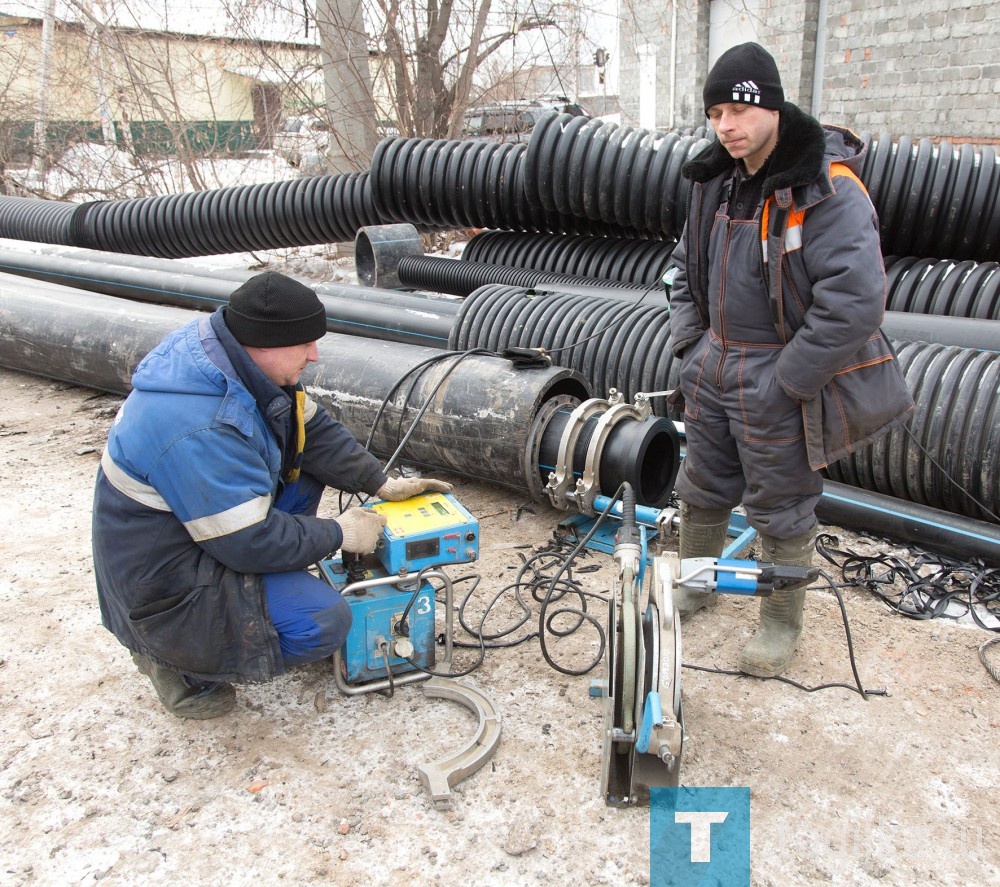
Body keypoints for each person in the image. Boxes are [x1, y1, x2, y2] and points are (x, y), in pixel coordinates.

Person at [92, 271, 452, 719]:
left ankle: (273, 591)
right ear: (265, 342)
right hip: (167, 586)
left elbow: (311, 429)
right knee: (325, 622)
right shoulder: (200, 423)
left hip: (201, 536)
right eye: (305, 344)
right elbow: (249, 540)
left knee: (305, 471)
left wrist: (378, 482)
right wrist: (338, 533)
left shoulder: (232, 363)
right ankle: (178, 665)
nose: (315, 355)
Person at [668, 42, 914, 677]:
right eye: (716, 112)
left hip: (776, 371)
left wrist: (790, 379)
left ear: (772, 106)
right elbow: (680, 268)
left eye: (740, 110)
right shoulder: (713, 181)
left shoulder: (827, 188)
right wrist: (691, 343)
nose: (727, 126)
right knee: (702, 486)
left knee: (780, 501)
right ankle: (697, 583)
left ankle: (781, 622)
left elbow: (855, 302)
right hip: (714, 361)